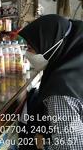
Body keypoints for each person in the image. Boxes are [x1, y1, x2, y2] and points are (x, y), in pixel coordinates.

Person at [18, 14, 83, 149]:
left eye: (31, 47)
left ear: (50, 46)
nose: (27, 53)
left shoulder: (60, 93)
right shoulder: (77, 61)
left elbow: (70, 146)